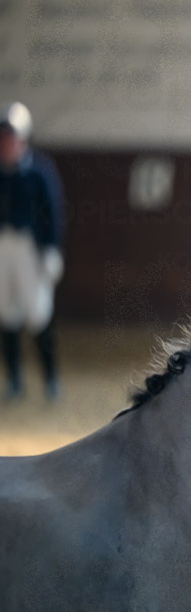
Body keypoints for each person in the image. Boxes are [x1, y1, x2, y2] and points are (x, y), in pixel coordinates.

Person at [0, 101, 65, 401]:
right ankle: (14, 379)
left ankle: (51, 379)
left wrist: (51, 249)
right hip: (3, 247)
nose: (7, 144)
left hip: (29, 248)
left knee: (38, 313)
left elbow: (52, 212)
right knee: (6, 313)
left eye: (11, 137)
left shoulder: (39, 171)